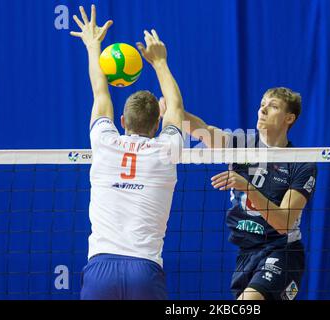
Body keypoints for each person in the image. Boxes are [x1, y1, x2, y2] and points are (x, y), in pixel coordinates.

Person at [70, 5, 184, 300]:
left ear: (122, 122)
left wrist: (92, 45)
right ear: (157, 123)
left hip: (99, 269)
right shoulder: (166, 150)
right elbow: (176, 109)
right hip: (144, 272)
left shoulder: (104, 142)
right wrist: (159, 63)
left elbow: (100, 92)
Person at [182, 87, 317, 300]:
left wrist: (247, 186)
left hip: (282, 251)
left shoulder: (301, 163)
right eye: (262, 104)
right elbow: (202, 129)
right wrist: (174, 110)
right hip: (246, 252)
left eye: (273, 106)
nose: (262, 110)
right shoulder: (239, 145)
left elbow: (284, 223)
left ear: (289, 118)